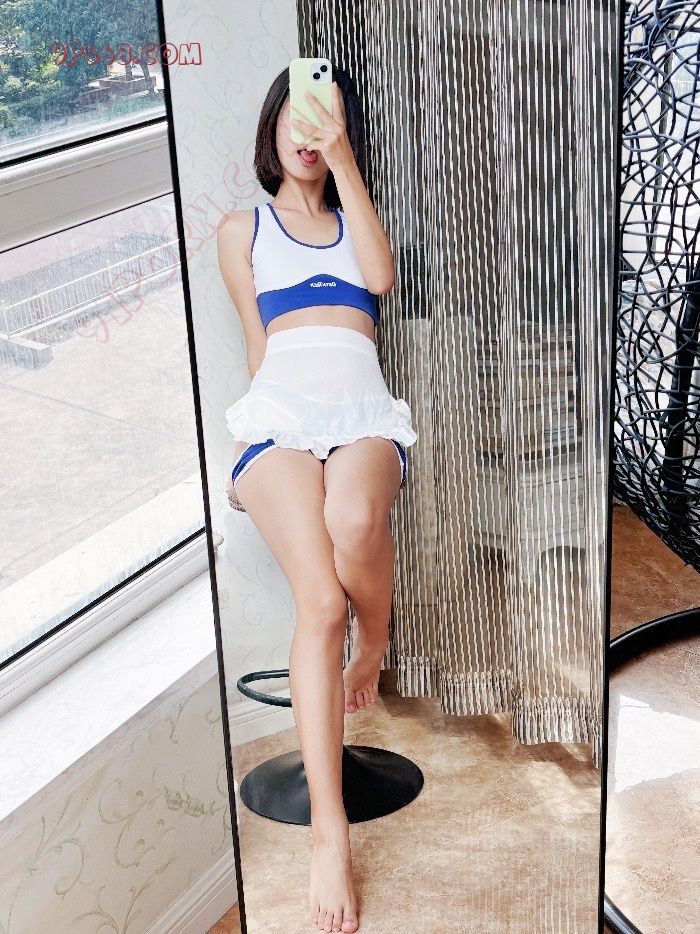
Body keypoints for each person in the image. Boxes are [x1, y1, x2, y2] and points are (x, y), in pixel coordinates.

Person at [216, 64, 417, 934]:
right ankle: (330, 835)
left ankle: (376, 642)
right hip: (279, 421)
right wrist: (264, 449)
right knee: (320, 602)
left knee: (354, 519)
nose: (306, 134)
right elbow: (258, 346)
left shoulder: (353, 219)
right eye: (295, 119)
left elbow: (379, 279)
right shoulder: (243, 229)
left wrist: (342, 162)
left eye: (324, 122)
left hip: (361, 413)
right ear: (272, 128)